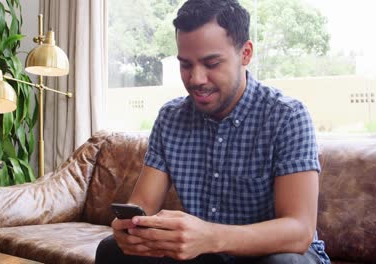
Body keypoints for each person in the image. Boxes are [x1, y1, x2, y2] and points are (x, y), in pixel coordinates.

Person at [96, 0, 330, 263]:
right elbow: (142, 207)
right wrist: (129, 230)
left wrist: (210, 236)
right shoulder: (171, 118)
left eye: (211, 63)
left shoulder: (287, 116)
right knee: (111, 249)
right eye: (185, 65)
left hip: (273, 254)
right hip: (203, 254)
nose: (196, 79)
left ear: (246, 53)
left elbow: (299, 231)